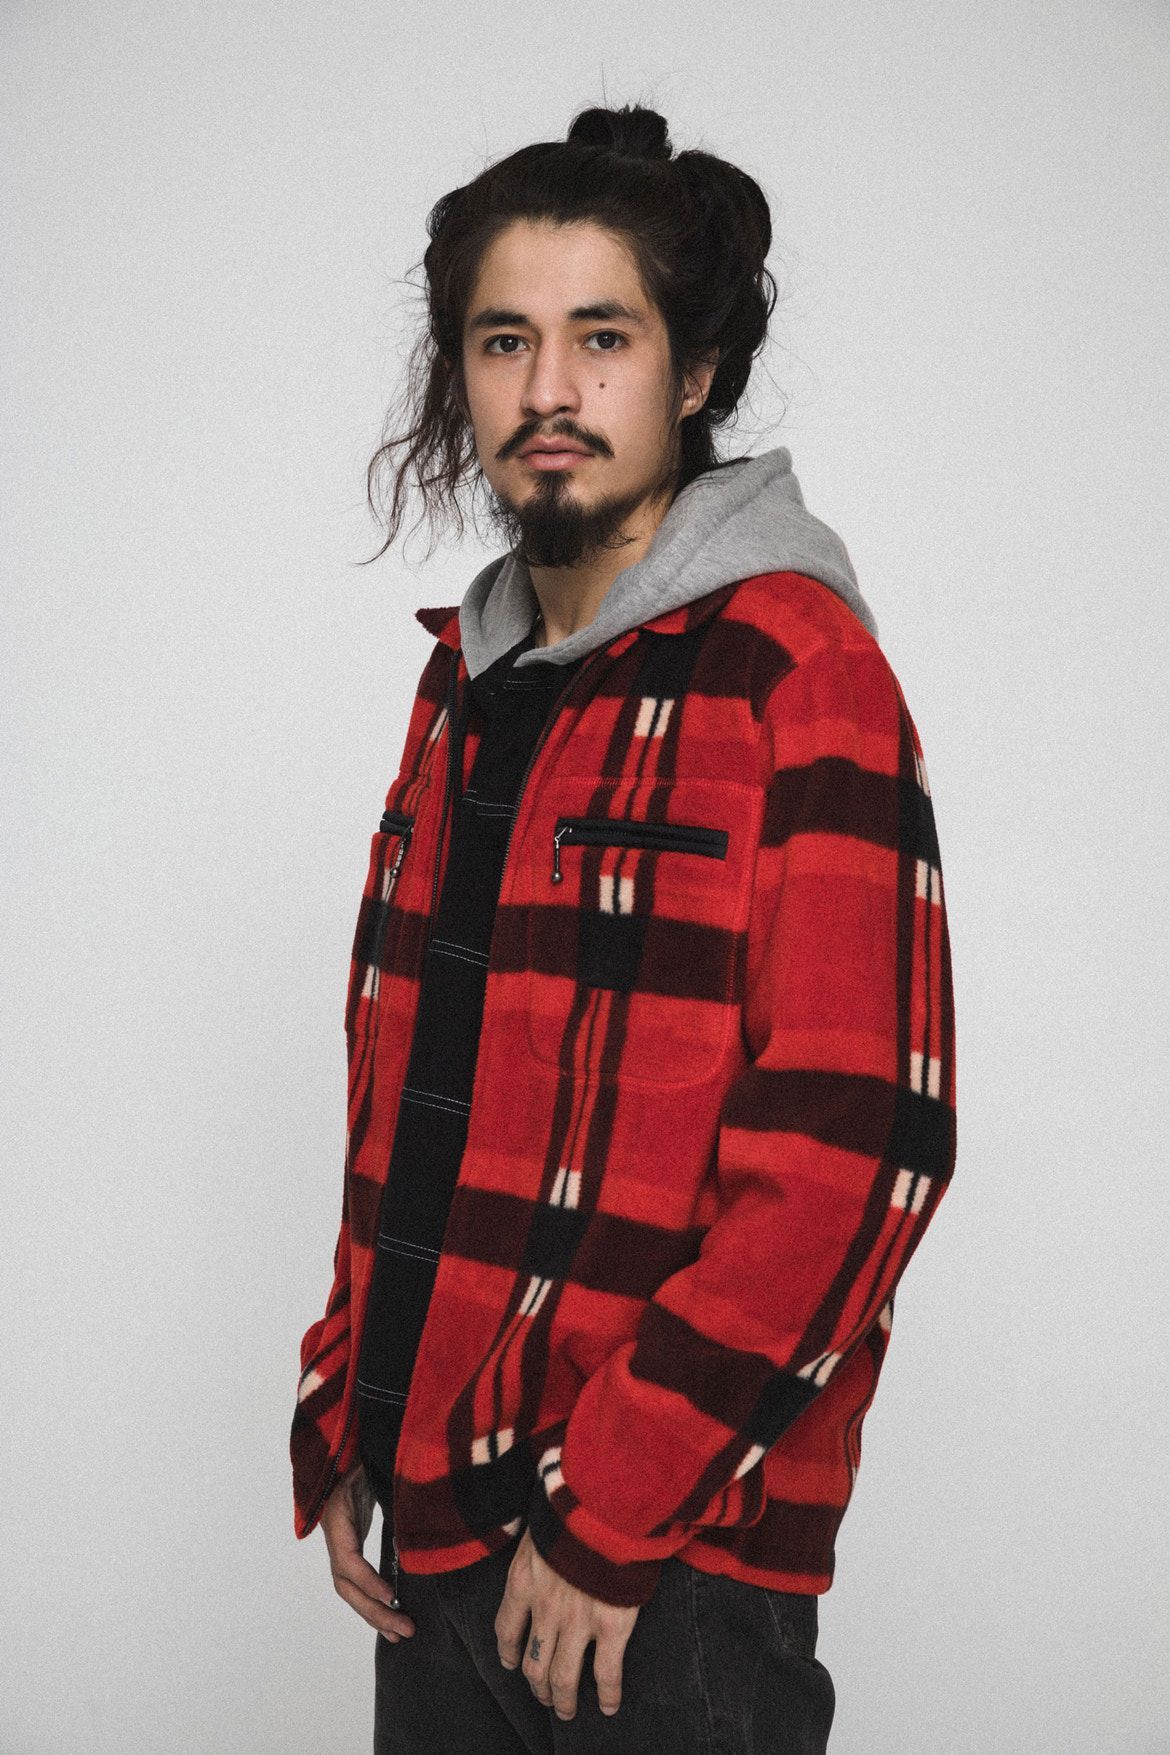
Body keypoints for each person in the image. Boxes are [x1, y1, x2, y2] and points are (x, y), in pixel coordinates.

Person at [289, 102, 957, 1754]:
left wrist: (614, 1514)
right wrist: (350, 1405)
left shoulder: (795, 671)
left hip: (660, 1579)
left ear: (695, 371)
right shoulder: (464, 683)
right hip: (434, 1533)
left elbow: (858, 1144)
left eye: (603, 337)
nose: (548, 389)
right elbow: (414, 1088)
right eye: (503, 340)